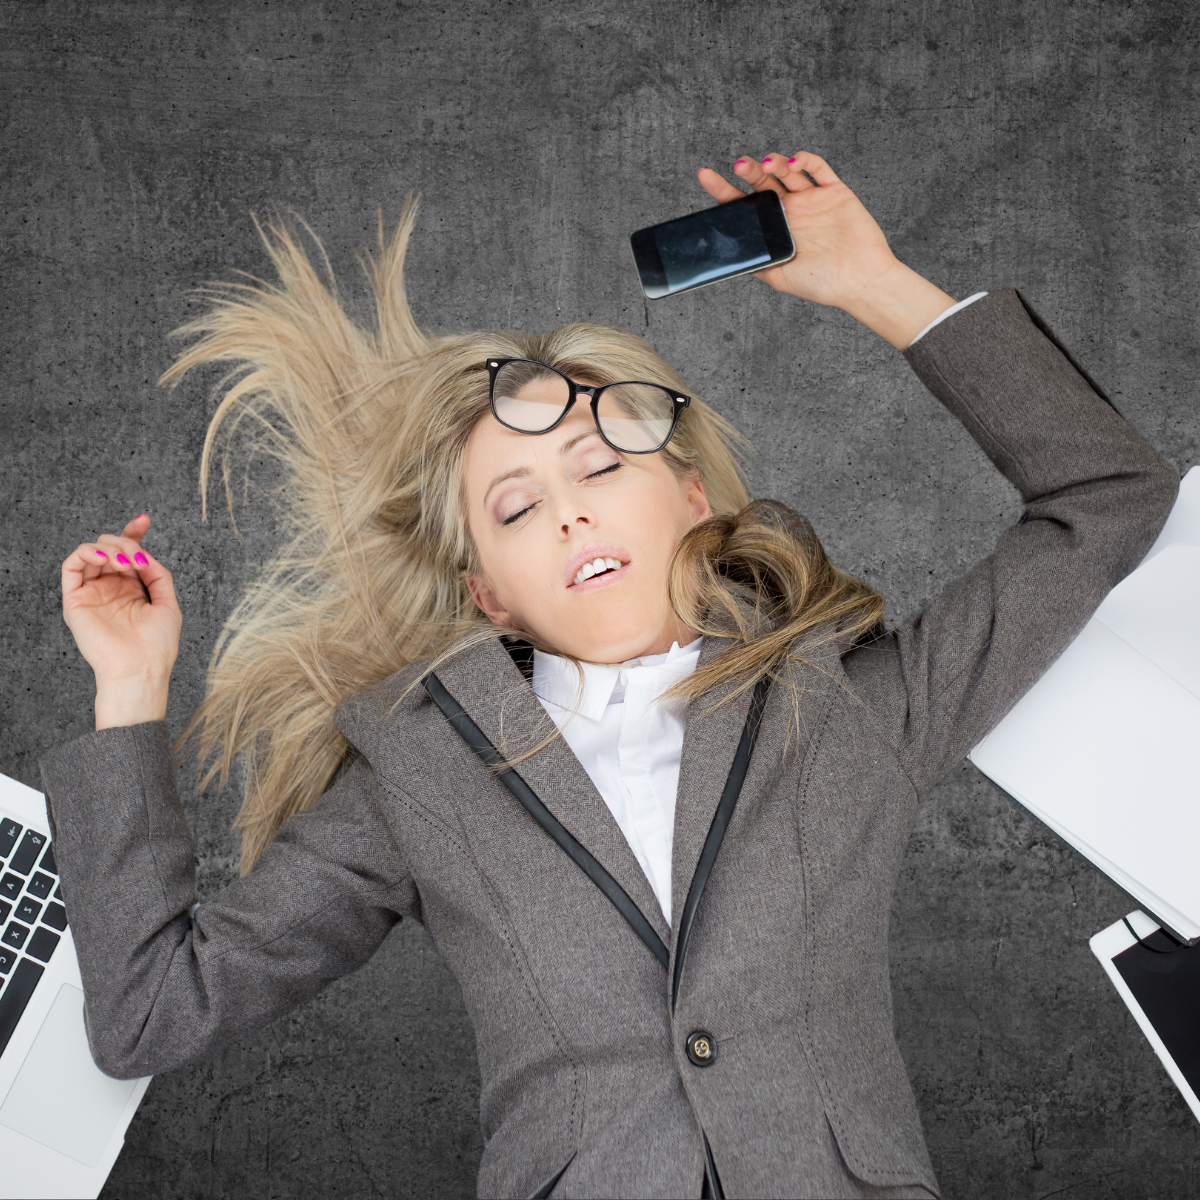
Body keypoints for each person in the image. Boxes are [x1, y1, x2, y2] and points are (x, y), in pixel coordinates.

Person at [39, 151, 1177, 1200]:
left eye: (597, 460)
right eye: (517, 505)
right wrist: (129, 691)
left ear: (692, 499)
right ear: (490, 594)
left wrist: (874, 283)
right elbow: (150, 1014)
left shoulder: (853, 704)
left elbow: (1107, 498)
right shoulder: (421, 775)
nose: (570, 502)